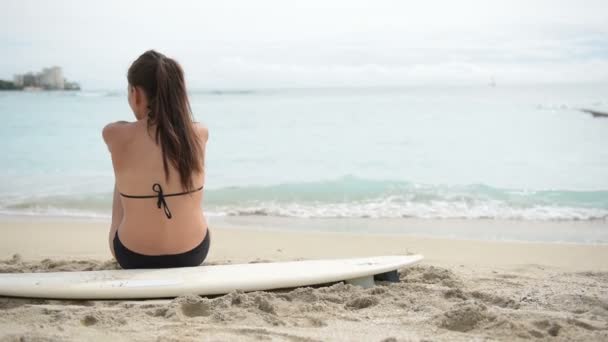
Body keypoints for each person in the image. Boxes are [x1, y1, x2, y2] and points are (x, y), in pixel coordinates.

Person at [102, 50, 210, 269]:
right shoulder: (199, 133)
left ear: (136, 94)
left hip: (133, 256)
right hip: (193, 253)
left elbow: (139, 130)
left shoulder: (114, 134)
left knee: (123, 173)